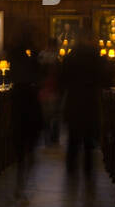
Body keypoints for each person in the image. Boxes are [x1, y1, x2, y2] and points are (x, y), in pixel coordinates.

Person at [60, 26, 107, 180]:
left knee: (73, 140)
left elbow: (63, 79)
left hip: (73, 102)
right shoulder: (95, 57)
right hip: (90, 102)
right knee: (88, 142)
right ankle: (88, 171)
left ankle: (70, 170)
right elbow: (104, 79)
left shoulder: (70, 56)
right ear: (88, 39)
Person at [7, 27, 43, 199]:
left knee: (21, 141)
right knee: (28, 140)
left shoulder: (15, 55)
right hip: (29, 100)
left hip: (19, 101)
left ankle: (21, 176)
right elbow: (39, 74)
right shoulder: (32, 58)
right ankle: (23, 175)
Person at [39, 37, 61, 144]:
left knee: (46, 116)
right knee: (55, 116)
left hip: (44, 88)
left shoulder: (42, 55)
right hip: (53, 88)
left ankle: (48, 137)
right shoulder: (57, 57)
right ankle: (54, 138)